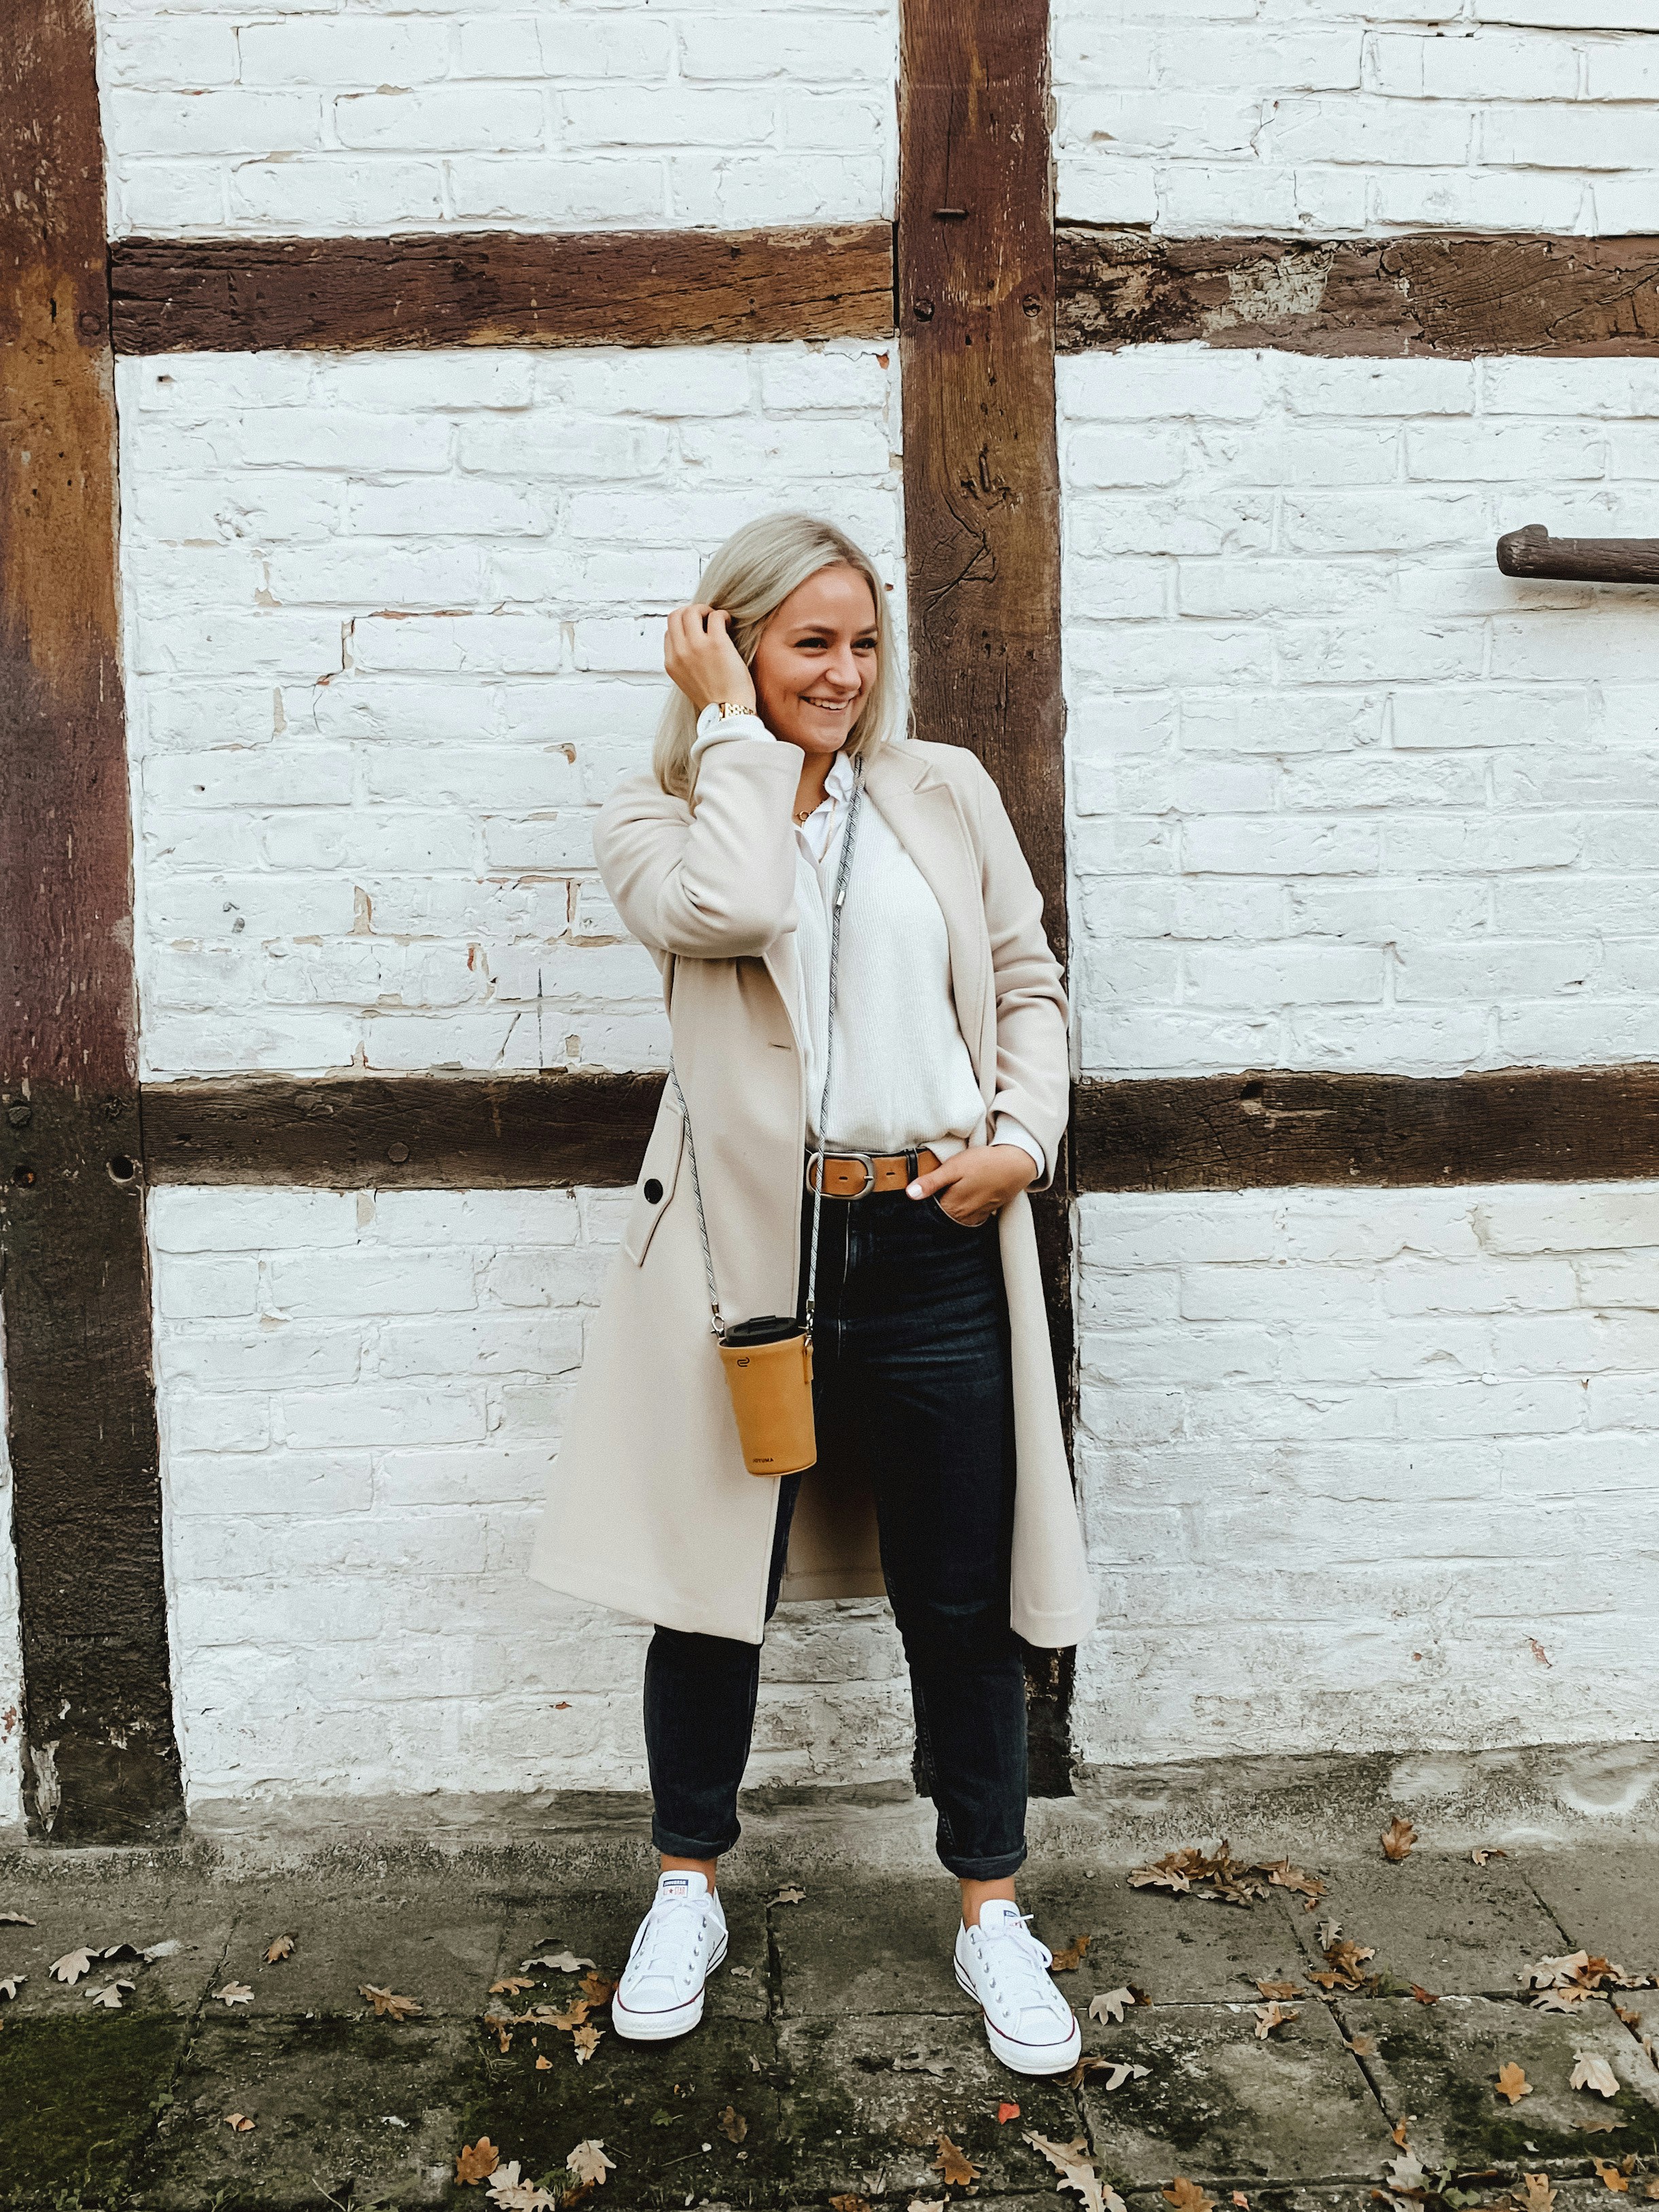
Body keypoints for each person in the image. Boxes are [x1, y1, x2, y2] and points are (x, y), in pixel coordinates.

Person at [528, 512, 1096, 2077]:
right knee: (711, 1597)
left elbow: (1029, 982)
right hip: (747, 1254)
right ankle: (688, 1885)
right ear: (735, 648)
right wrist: (727, 737)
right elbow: (731, 910)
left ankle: (990, 1909)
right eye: (805, 643)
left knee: (962, 1598)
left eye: (860, 641)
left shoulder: (945, 791)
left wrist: (1021, 1142)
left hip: (928, 1238)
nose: (843, 672)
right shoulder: (667, 816)